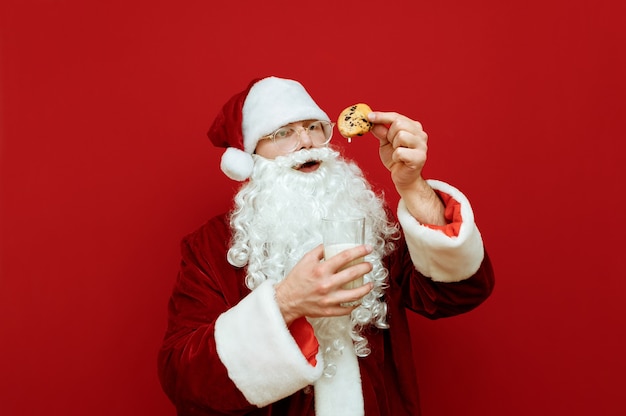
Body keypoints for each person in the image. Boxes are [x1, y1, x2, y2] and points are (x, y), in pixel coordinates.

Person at [158, 76, 495, 416]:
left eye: (314, 127)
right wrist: (285, 303)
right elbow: (185, 381)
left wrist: (413, 186)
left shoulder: (369, 222)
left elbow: (460, 291)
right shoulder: (211, 247)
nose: (306, 142)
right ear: (250, 156)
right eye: (283, 133)